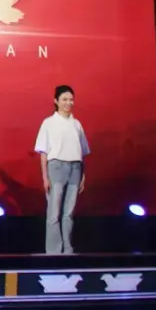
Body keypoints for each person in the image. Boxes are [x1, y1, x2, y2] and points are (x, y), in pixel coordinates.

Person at [35, 85, 90, 255]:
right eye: (64, 99)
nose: (68, 103)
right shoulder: (48, 123)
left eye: (71, 100)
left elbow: (82, 151)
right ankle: (53, 251)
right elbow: (43, 153)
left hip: (75, 168)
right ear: (56, 101)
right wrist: (45, 177)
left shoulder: (77, 124)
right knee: (54, 212)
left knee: (69, 213)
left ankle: (68, 249)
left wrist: (83, 175)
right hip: (56, 167)